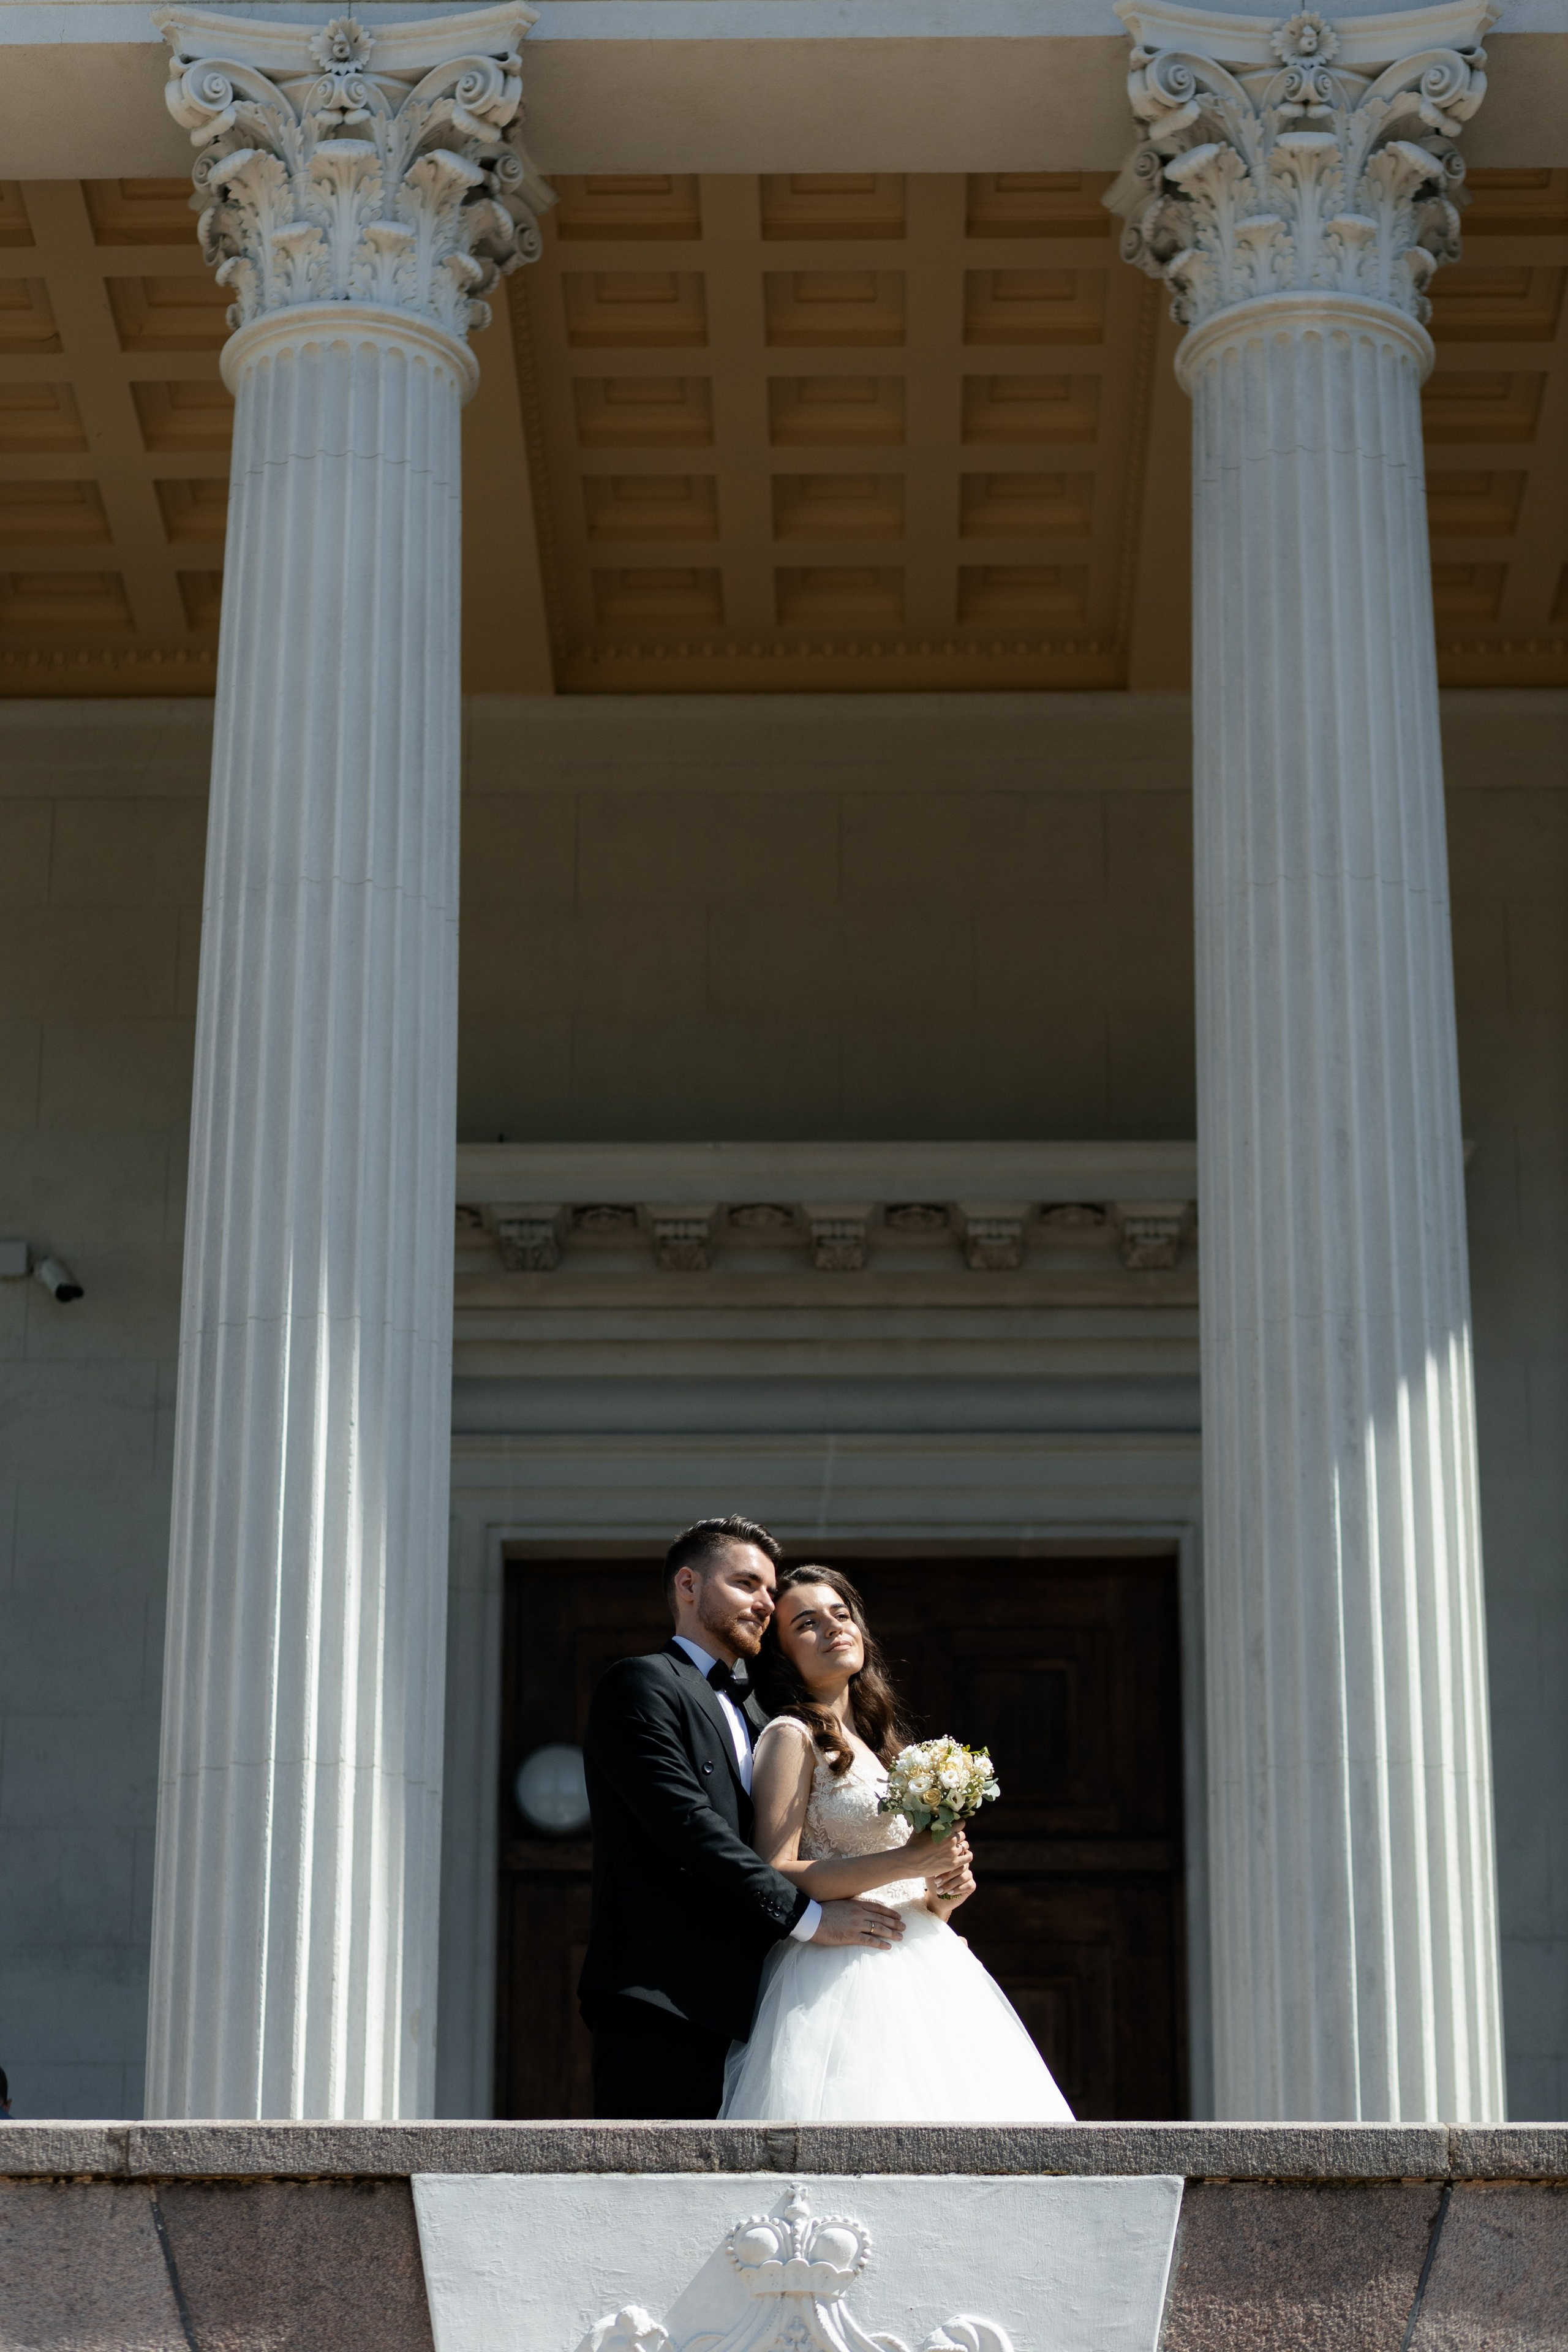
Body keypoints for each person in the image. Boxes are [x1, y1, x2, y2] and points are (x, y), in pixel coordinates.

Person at [579, 1516, 922, 2119]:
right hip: (663, 1992)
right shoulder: (641, 1684)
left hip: (757, 2000)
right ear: (689, 1585)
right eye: (746, 1584)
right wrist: (810, 1918)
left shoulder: (765, 1719)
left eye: (769, 1590)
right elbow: (687, 1827)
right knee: (652, 2173)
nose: (765, 1602)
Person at [719, 1563, 1075, 2122]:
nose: (833, 1628)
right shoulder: (791, 1735)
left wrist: (940, 1892)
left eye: (841, 1614)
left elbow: (907, 1878)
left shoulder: (879, 1746)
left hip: (926, 1959)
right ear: (782, 1655)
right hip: (841, 1972)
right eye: (807, 1623)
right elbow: (774, 1870)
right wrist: (907, 1859)